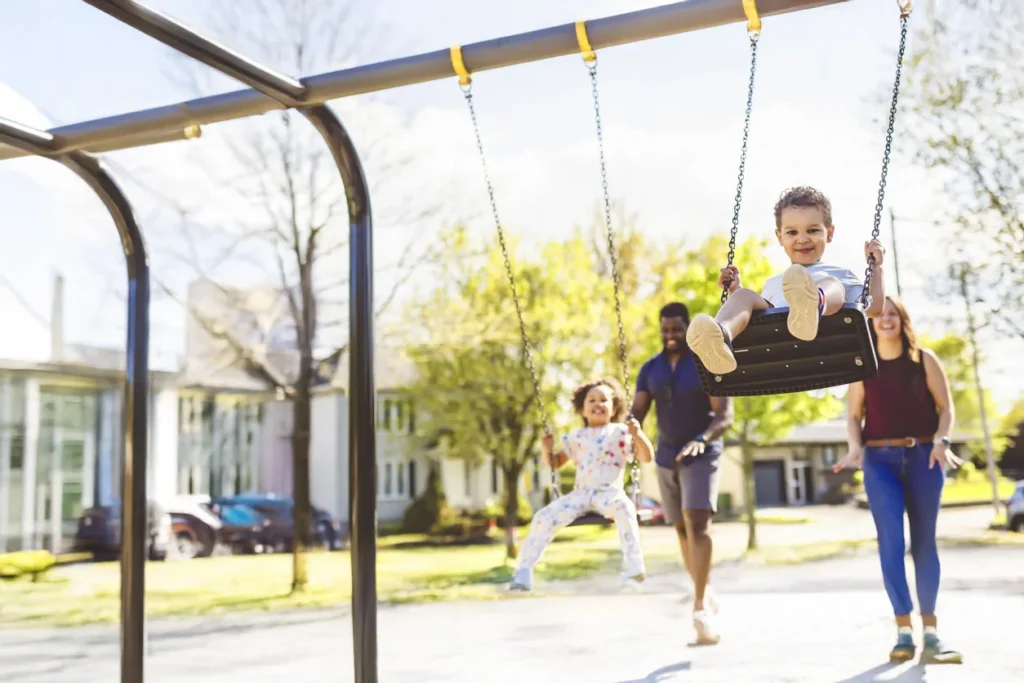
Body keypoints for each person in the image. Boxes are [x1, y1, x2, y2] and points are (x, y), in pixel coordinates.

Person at [833, 295, 963, 664]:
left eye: (893, 314)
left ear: (902, 320)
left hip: (925, 456)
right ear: (870, 322)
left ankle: (932, 633)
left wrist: (942, 441)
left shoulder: (924, 359)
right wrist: (855, 448)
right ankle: (904, 632)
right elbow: (853, 416)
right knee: (891, 542)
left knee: (924, 543)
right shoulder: (863, 366)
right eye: (880, 314)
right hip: (879, 460)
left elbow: (946, 408)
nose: (886, 319)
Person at [687, 186, 887, 375]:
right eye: (792, 232)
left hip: (826, 340)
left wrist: (876, 267)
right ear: (779, 237)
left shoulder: (840, 274)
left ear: (830, 233)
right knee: (744, 295)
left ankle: (814, 303)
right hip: (779, 343)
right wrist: (734, 289)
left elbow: (874, 307)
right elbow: (756, 317)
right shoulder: (775, 283)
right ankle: (720, 338)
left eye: (812, 230)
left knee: (832, 284)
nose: (802, 239)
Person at [632, 302, 733, 645]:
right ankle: (703, 590)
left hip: (701, 454)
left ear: (688, 328)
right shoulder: (651, 369)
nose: (670, 335)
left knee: (698, 523)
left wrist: (702, 440)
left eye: (676, 329)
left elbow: (724, 417)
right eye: (665, 329)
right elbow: (638, 412)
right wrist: (629, 426)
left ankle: (700, 606)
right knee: (680, 529)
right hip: (666, 456)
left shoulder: (705, 363)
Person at [509, 378, 653, 592]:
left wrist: (638, 434)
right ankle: (523, 572)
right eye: (592, 400)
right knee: (543, 517)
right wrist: (545, 448)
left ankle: (634, 567)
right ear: (582, 409)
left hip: (609, 492)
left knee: (625, 509)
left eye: (604, 400)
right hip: (580, 494)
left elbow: (646, 457)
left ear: (614, 408)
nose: (598, 404)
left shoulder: (621, 432)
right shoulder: (576, 437)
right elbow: (556, 463)